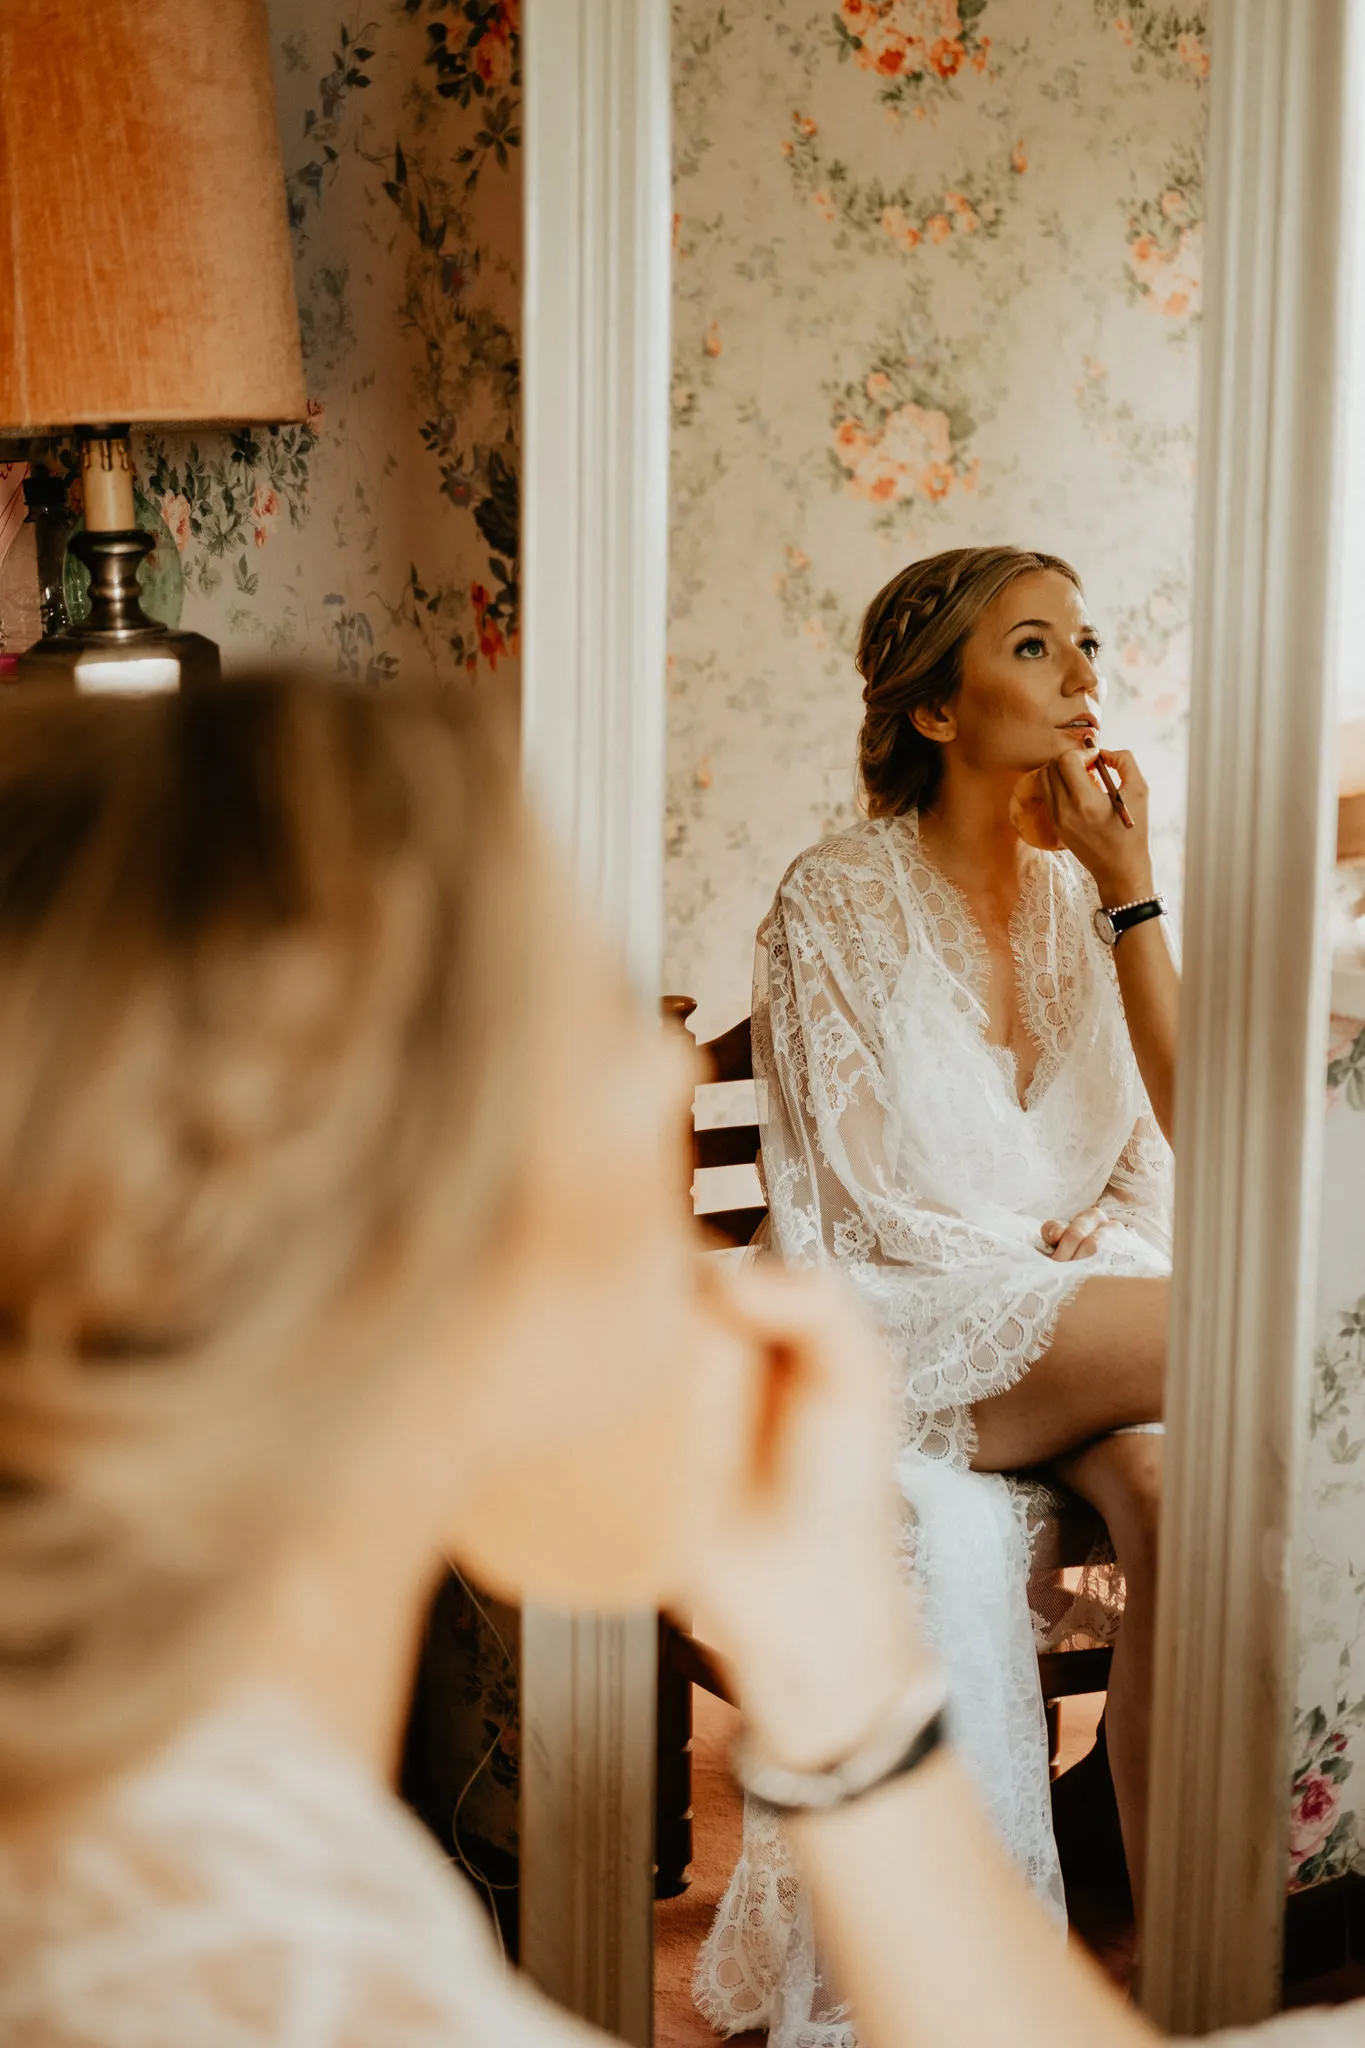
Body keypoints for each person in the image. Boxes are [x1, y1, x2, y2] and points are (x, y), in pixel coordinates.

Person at [0, 674, 1342, 2048]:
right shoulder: (295, 1997)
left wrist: (841, 1688)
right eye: (585, 1021)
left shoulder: (169, 1876)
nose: (665, 1080)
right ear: (364, 1253)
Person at [698, 546, 1179, 2041]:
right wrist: (1033, 1257)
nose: (1083, 676)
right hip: (894, 1321)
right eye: (1035, 649)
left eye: (1085, 643)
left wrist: (1131, 891)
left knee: (1182, 1502)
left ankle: (1180, 1962)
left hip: (1064, 1328)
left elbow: (1181, 1144)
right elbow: (848, 1203)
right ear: (935, 712)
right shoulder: (830, 900)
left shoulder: (1070, 903)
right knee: (1265, 1330)